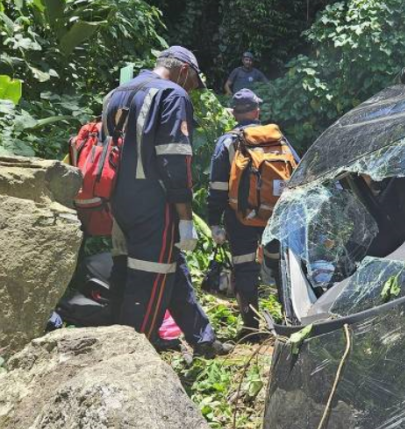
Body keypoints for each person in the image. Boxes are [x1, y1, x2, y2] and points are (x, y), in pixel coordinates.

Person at [104, 46, 231, 356]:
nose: (192, 90)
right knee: (148, 279)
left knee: (165, 267)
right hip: (153, 204)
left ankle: (202, 339)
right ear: (184, 71)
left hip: (117, 201)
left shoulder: (118, 92)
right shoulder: (172, 94)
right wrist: (185, 217)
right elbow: (175, 159)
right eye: (193, 83)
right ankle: (132, 357)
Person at [208, 89, 300, 338]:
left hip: (241, 216)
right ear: (257, 111)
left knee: (245, 267)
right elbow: (297, 171)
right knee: (281, 265)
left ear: (234, 114)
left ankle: (251, 329)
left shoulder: (227, 142)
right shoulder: (277, 138)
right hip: (276, 214)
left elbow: (217, 187)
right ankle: (291, 321)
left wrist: (214, 222)